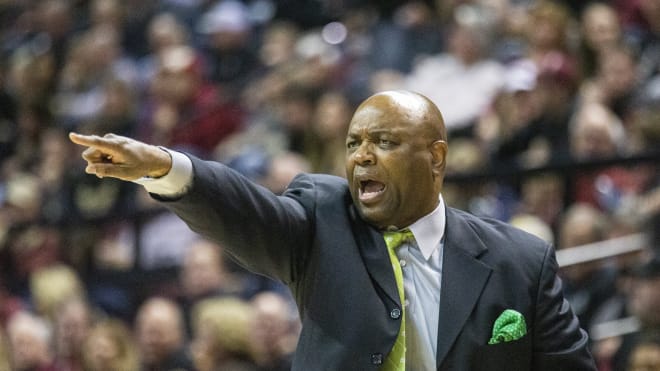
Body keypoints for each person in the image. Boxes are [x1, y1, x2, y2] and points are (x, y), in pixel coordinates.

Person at [70, 90, 596, 370]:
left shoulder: (521, 263)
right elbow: (247, 213)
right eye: (353, 144)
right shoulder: (324, 220)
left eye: (384, 142)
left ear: (436, 158)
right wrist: (164, 167)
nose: (362, 156)